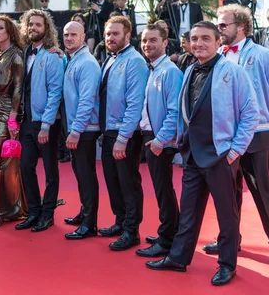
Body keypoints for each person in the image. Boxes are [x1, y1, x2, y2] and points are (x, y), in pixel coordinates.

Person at [145, 21, 259, 286]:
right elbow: (185, 112)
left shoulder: (233, 71)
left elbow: (251, 113)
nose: (199, 44)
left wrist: (235, 151)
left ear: (218, 41)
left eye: (206, 38)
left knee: (226, 214)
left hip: (220, 155)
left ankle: (227, 265)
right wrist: (175, 140)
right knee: (188, 212)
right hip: (192, 155)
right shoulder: (188, 71)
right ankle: (178, 258)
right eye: (195, 39)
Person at [203, 4, 269, 271]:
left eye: (223, 25)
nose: (219, 29)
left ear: (240, 26)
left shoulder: (262, 55)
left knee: (262, 191)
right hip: (225, 136)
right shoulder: (217, 57)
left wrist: (262, 120)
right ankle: (230, 239)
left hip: (256, 135)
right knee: (227, 193)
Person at [95, 16, 149, 249]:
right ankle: (120, 221)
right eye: (108, 34)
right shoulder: (109, 59)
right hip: (109, 131)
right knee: (113, 181)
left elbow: (135, 103)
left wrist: (123, 137)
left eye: (115, 34)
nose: (110, 38)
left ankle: (132, 230)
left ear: (128, 35)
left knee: (128, 182)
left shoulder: (135, 61)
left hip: (124, 134)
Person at [136, 24, 183, 258]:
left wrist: (160, 140)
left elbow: (174, 111)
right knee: (162, 189)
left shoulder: (169, 71)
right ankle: (170, 232)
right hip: (152, 137)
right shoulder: (154, 69)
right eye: (144, 40)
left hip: (159, 140)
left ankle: (167, 240)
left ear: (165, 43)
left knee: (163, 190)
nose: (147, 45)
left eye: (153, 40)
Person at [14, 10, 64, 233]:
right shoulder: (24, 53)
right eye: (30, 24)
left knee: (51, 171)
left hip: (46, 124)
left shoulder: (53, 56)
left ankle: (48, 214)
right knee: (25, 167)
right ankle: (34, 211)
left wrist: (46, 124)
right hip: (26, 122)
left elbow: (55, 93)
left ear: (46, 29)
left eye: (38, 24)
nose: (33, 27)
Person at [0, 15, 28, 229]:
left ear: (10, 31)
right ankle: (10, 208)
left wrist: (12, 118)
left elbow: (19, 88)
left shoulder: (16, 55)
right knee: (3, 162)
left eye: (0, 28)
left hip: (7, 112)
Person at [62, 21, 102, 240]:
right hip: (79, 126)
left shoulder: (86, 63)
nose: (68, 38)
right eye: (66, 34)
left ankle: (89, 223)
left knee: (86, 175)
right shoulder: (74, 59)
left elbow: (87, 100)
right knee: (80, 173)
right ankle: (84, 212)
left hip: (85, 128)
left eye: (73, 35)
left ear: (83, 37)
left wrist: (76, 131)